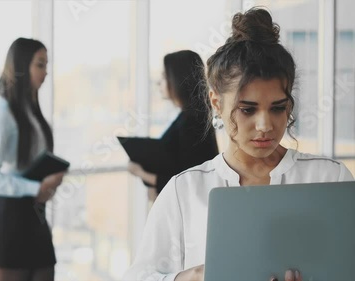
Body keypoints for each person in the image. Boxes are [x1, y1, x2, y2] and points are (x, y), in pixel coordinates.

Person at [123, 7, 354, 281]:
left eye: (278, 108)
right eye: (248, 109)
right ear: (216, 103)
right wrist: (190, 277)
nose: (265, 125)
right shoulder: (184, 191)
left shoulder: (329, 179)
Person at [0, 38, 65, 281]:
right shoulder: (1, 110)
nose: (46, 72)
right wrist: (37, 186)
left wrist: (48, 181)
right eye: (40, 64)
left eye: (47, 64)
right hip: (9, 219)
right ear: (21, 66)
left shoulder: (30, 108)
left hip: (35, 215)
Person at [127, 50, 219, 200]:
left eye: (164, 76)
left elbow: (189, 180)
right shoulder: (189, 118)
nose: (159, 82)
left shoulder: (192, 123)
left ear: (177, 79)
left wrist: (141, 173)